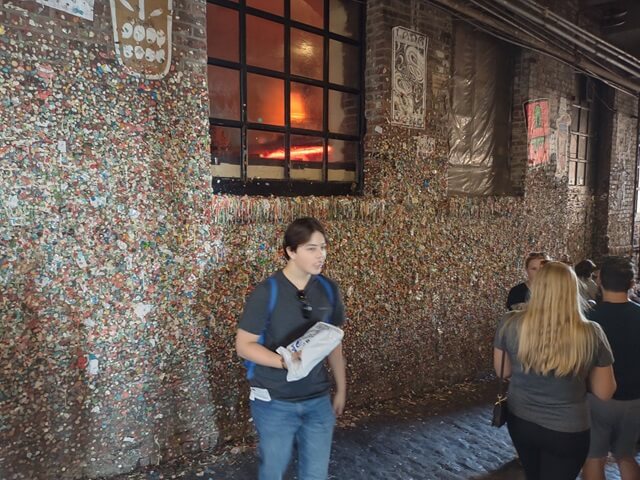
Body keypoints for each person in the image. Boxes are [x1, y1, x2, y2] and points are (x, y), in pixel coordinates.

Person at [235, 217, 346, 480]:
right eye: (311, 248)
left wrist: (341, 387)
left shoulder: (329, 290)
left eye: (323, 247)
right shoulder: (267, 292)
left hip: (317, 400)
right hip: (275, 402)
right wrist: (285, 362)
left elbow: (333, 343)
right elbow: (244, 345)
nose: (321, 255)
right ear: (291, 252)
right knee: (273, 471)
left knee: (316, 474)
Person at [494, 261, 616, 480]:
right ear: (572, 289)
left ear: (536, 287)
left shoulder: (509, 322)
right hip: (568, 427)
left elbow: (503, 372)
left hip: (521, 420)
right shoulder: (591, 332)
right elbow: (605, 391)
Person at [582, 256, 640, 480]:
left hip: (597, 399)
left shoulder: (588, 319)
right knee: (625, 455)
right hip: (635, 399)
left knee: (594, 457)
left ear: (600, 282)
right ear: (632, 283)